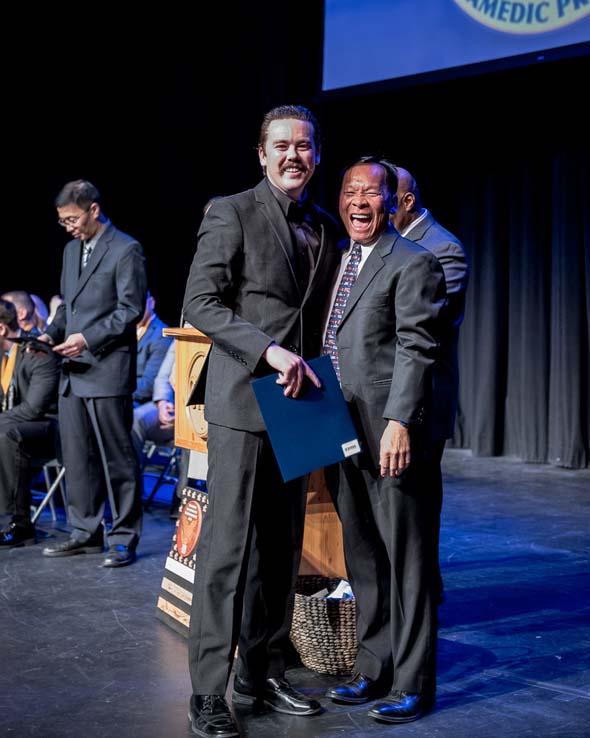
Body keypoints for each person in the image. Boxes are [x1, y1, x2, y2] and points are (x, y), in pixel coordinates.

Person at [182, 104, 340, 738]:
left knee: (281, 548)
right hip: (244, 402)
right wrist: (268, 349)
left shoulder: (327, 226)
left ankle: (263, 671)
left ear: (317, 155)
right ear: (261, 153)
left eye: (304, 146)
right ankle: (207, 690)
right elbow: (199, 300)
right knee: (226, 547)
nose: (293, 155)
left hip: (303, 406)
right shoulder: (232, 210)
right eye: (281, 146)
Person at [324, 157, 446, 724]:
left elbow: (418, 347)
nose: (358, 202)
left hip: (390, 430)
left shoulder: (414, 262)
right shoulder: (340, 259)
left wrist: (400, 421)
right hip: (340, 424)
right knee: (363, 552)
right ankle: (373, 666)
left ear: (394, 201)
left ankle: (413, 681)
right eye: (350, 191)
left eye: (370, 193)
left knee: (408, 556)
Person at [39, 179, 147, 568]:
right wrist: (48, 333)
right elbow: (69, 306)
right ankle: (85, 531)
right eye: (63, 221)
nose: (68, 226)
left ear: (94, 210)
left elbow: (129, 310)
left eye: (72, 219)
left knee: (116, 458)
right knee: (77, 457)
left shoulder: (126, 249)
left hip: (105, 369)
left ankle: (123, 537)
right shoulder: (71, 251)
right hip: (73, 371)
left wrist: (87, 339)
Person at [390, 165, 469, 600]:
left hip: (422, 399)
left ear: (405, 200)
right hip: (385, 394)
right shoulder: (385, 245)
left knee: (418, 501)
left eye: (386, 196)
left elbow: (428, 327)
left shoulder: (444, 248)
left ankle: (421, 596)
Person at [0, 299, 59, 547]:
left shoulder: (36, 351)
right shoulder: (3, 356)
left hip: (48, 427)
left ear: (1, 328)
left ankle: (18, 522)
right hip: (13, 424)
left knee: (6, 434)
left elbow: (35, 408)